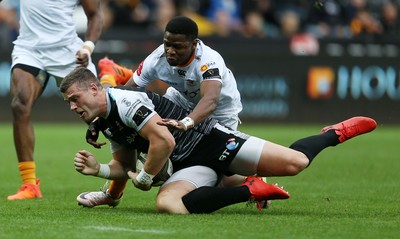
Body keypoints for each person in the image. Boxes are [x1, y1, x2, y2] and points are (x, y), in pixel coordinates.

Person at [60, 67, 376, 214]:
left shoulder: (127, 102)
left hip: (212, 142)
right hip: (188, 166)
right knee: (169, 204)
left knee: (296, 163)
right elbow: (123, 165)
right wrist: (100, 170)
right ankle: (248, 189)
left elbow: (164, 142)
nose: (73, 107)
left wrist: (144, 177)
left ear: (94, 89)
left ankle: (334, 134)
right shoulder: (105, 122)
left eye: (75, 99)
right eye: (68, 103)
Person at [79, 15, 246, 207]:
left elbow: (211, 100)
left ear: (194, 44)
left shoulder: (208, 60)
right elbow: (124, 94)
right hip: (179, 102)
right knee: (130, 122)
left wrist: (187, 123)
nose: (170, 51)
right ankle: (112, 193)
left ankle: (248, 179)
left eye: (178, 47)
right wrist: (98, 121)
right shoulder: (157, 58)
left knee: (213, 177)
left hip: (219, 115)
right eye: (167, 44)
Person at [7, 0, 104, 200]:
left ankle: (122, 180)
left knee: (102, 114)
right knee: (20, 105)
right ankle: (29, 184)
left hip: (69, 53)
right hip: (29, 50)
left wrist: (87, 48)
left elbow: (95, 15)